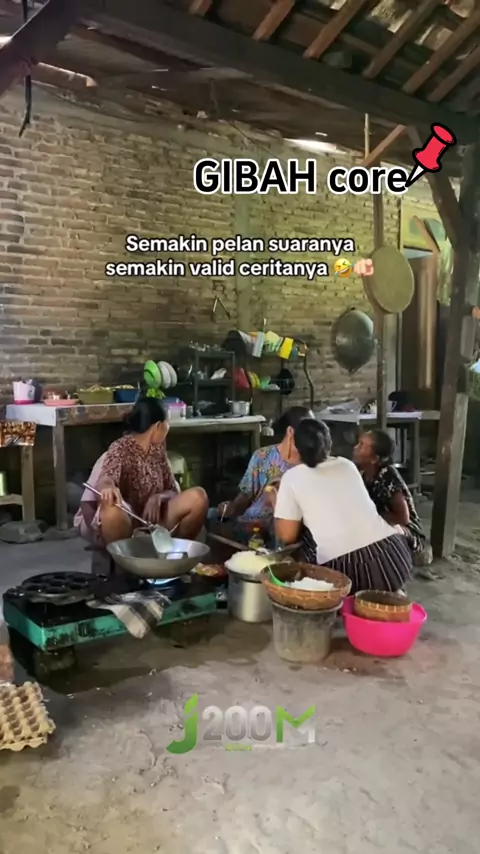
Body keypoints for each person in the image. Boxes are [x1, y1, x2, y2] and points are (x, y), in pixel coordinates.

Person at [274, 419, 412, 593]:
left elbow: (287, 536)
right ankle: (389, 591)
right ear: (329, 444)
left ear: (295, 445)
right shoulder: (347, 465)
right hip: (394, 560)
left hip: (348, 571)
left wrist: (275, 499)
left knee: (304, 543)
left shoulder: (291, 477)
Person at [75, 397, 208, 545]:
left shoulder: (158, 449)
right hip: (127, 526)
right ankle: (126, 553)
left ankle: (174, 552)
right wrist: (107, 487)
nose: (169, 428)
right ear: (158, 426)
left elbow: (172, 490)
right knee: (111, 510)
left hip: (154, 521)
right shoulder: (119, 448)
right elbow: (107, 477)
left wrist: (158, 497)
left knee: (198, 497)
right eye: (168, 423)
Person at [216, 406, 313, 535]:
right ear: (290, 431)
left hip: (286, 528)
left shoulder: (311, 461)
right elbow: (247, 492)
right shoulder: (262, 456)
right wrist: (232, 507)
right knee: (214, 517)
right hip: (252, 524)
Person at [353, 429, 425, 556]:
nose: (355, 448)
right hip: (378, 524)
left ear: (374, 458)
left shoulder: (388, 477)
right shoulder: (361, 473)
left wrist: (373, 516)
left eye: (361, 445)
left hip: (405, 532)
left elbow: (403, 519)